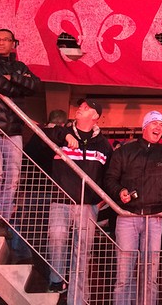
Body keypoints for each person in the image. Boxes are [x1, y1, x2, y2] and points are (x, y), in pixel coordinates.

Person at [0, 29, 41, 238]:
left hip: (14, 127)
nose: (1, 43)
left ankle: (3, 218)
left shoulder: (19, 67)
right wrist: (18, 86)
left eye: (5, 40)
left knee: (13, 176)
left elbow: (35, 85)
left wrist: (12, 77)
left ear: (14, 44)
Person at [47, 100, 112, 302]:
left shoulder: (104, 145)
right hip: (61, 201)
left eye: (86, 107)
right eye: (80, 106)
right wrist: (64, 135)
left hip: (87, 206)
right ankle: (56, 280)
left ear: (95, 116)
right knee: (56, 238)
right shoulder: (63, 134)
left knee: (82, 252)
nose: (80, 108)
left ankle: (77, 298)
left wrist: (99, 203)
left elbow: (109, 176)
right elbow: (41, 134)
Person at [106, 110, 162, 305]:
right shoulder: (124, 151)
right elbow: (110, 179)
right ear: (144, 127)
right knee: (124, 274)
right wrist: (120, 191)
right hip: (127, 216)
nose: (159, 127)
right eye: (155, 123)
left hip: (155, 218)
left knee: (151, 275)